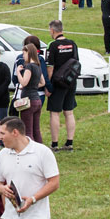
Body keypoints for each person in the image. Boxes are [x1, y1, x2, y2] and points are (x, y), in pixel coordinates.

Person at [46, 20, 78, 151]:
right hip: (70, 81)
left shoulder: (53, 45)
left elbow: (50, 67)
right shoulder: (72, 44)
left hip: (57, 82)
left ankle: (55, 144)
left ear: (53, 30)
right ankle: (69, 142)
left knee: (55, 113)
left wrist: (48, 84)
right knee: (69, 112)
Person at [15, 43, 46, 143]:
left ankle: (31, 151)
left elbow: (24, 82)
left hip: (28, 102)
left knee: (28, 131)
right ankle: (40, 149)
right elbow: (42, 82)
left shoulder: (29, 67)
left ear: (29, 53)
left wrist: (18, 72)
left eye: (24, 54)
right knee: (36, 130)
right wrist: (32, 86)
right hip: (37, 100)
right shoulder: (38, 66)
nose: (23, 56)